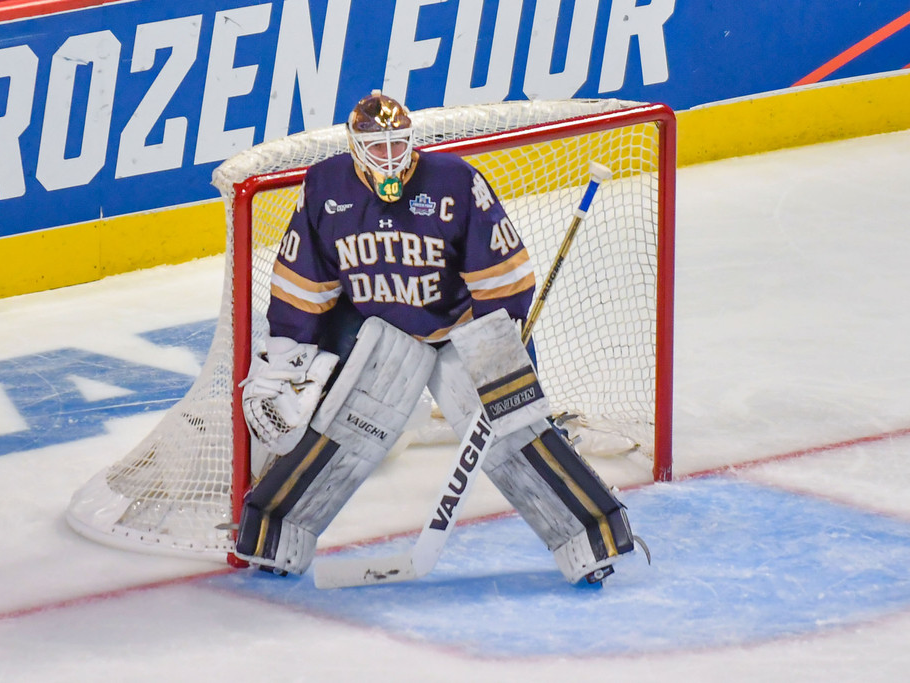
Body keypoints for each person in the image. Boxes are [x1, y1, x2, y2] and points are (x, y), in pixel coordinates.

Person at [235, 90, 641, 585]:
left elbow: (502, 277)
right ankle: (273, 541)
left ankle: (592, 541)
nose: (390, 158)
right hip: (378, 334)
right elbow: (304, 282)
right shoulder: (325, 186)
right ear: (355, 146)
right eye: (378, 148)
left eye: (398, 145)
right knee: (340, 433)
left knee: (515, 430)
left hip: (458, 329)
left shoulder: (454, 182)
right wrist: (289, 351)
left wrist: (502, 353)